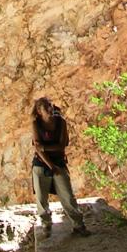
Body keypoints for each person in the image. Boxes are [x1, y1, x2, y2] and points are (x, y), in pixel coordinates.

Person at [31, 96, 88, 237]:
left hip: (59, 162)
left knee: (67, 195)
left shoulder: (60, 122)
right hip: (41, 164)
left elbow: (62, 145)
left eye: (50, 106)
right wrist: (50, 164)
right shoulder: (36, 124)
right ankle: (46, 225)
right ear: (39, 111)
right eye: (46, 107)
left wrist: (44, 147)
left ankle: (78, 225)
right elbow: (38, 149)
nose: (50, 109)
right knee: (41, 197)